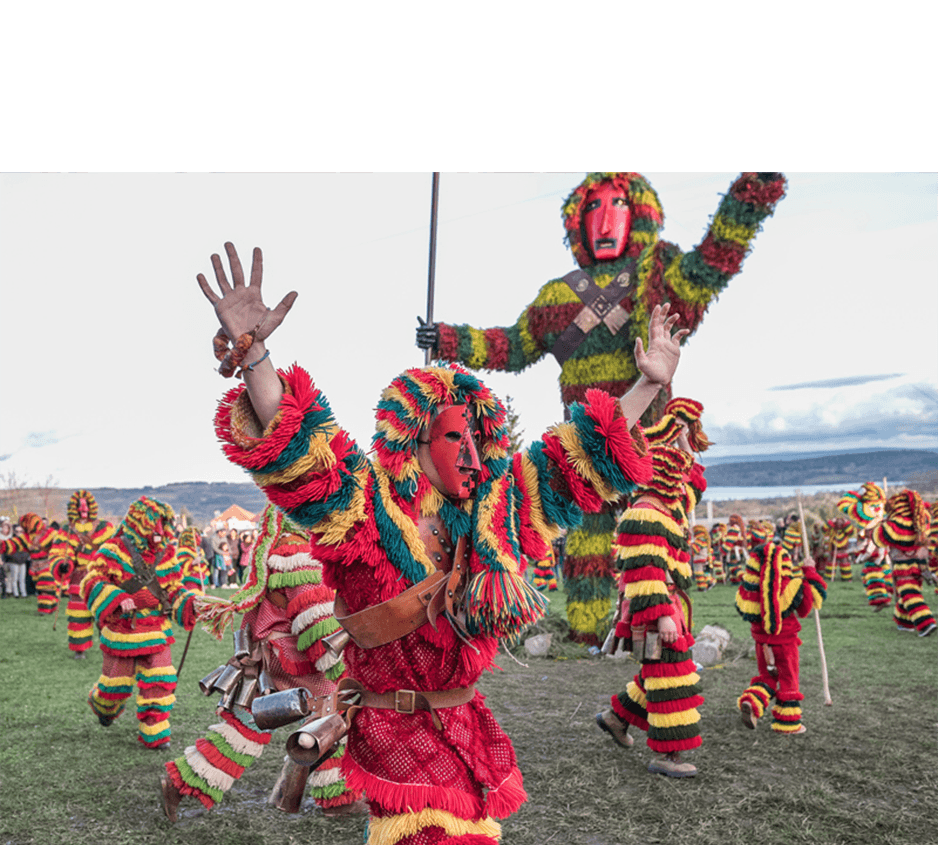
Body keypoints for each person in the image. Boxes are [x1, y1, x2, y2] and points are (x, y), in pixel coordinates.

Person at [196, 242, 684, 844]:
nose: (474, 456)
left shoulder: (499, 514)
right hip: (394, 733)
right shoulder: (364, 509)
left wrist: (646, 384)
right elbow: (300, 448)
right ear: (414, 441)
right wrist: (255, 355)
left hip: (466, 725)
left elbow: (576, 460)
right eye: (457, 438)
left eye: (480, 438)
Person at [416, 171, 787, 644]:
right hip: (584, 446)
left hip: (647, 441)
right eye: (593, 208)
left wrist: (751, 194)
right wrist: (446, 338)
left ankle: (658, 630)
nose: (606, 221)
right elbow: (512, 344)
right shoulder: (557, 296)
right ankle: (587, 631)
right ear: (577, 221)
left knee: (652, 534)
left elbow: (711, 264)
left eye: (618, 205)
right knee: (586, 540)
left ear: (641, 215)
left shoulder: (657, 273)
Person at [161, 503, 365, 821]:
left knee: (248, 727)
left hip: (274, 655)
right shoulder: (297, 550)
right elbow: (316, 621)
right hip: (298, 659)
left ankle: (180, 783)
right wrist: (340, 665)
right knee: (332, 715)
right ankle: (337, 798)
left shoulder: (282, 542)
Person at [595, 398, 709, 778]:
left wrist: (683, 438)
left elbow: (694, 484)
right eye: (675, 474)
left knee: (660, 671)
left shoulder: (665, 507)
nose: (681, 481)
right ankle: (669, 755)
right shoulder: (644, 512)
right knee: (672, 679)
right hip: (655, 611)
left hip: (669, 608)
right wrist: (662, 617)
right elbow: (644, 574)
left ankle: (616, 718)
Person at [80, 496, 200, 748]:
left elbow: (173, 588)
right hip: (123, 631)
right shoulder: (112, 549)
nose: (159, 530)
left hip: (156, 630)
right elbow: (91, 582)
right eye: (154, 523)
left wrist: (191, 604)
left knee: (160, 680)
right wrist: (118, 597)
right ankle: (102, 705)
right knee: (114, 688)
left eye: (162, 524)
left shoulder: (167, 553)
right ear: (139, 523)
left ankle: (155, 732)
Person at [735, 535, 827, 734]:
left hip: (762, 645)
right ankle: (788, 723)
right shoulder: (792, 586)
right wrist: (809, 571)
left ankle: (753, 701)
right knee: (788, 680)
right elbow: (809, 604)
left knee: (767, 677)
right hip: (785, 644)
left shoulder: (746, 590)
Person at [49, 490, 117, 657]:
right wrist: (62, 565)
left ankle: (110, 644)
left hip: (100, 576)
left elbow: (115, 549)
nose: (83, 511)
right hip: (78, 577)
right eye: (79, 507)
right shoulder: (67, 530)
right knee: (79, 614)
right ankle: (80, 649)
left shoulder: (105, 528)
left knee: (106, 611)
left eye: (86, 507)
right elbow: (59, 552)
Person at [871, 490, 936, 637]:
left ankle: (926, 623)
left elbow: (878, 539)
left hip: (903, 566)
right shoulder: (923, 519)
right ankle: (904, 623)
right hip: (920, 564)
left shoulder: (894, 524)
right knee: (906, 593)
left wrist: (878, 523)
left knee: (910, 594)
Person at [0, 513, 59, 614]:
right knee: (44, 588)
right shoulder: (26, 537)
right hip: (36, 567)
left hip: (48, 565)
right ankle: (51, 606)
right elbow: (13, 544)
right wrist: (2, 544)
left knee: (45, 586)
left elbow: (60, 545)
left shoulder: (51, 533)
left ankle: (44, 609)